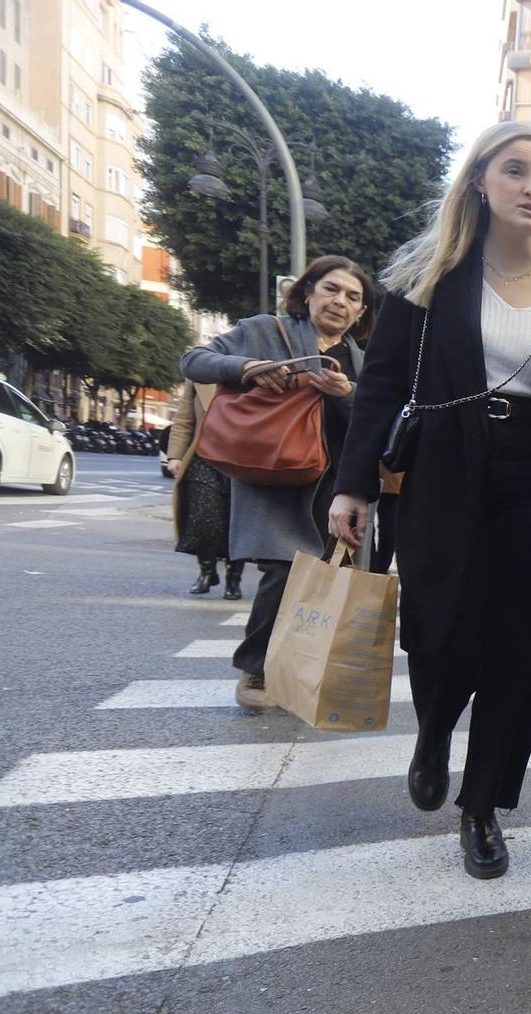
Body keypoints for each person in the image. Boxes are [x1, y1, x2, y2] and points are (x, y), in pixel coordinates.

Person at [333, 122, 531, 881]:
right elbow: (381, 388)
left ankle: (482, 805)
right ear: (480, 184)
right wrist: (352, 486)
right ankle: (433, 732)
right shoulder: (427, 281)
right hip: (443, 471)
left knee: (522, 650)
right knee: (441, 629)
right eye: (515, 171)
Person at [180, 255, 373, 713]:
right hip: (279, 473)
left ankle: (300, 667)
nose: (339, 302)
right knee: (284, 572)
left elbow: (378, 419)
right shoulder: (267, 330)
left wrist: (349, 395)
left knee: (331, 577)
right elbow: (194, 360)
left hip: (338, 481)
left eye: (352, 297)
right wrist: (245, 368)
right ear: (307, 292)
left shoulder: (363, 359)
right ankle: (257, 667)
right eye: (330, 289)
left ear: (362, 312)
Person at [164, 379, 245, 600]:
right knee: (203, 517)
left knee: (236, 522)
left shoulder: (256, 369)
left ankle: (233, 579)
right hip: (203, 457)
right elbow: (183, 419)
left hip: (244, 460)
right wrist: (175, 456)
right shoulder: (200, 374)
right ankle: (207, 570)